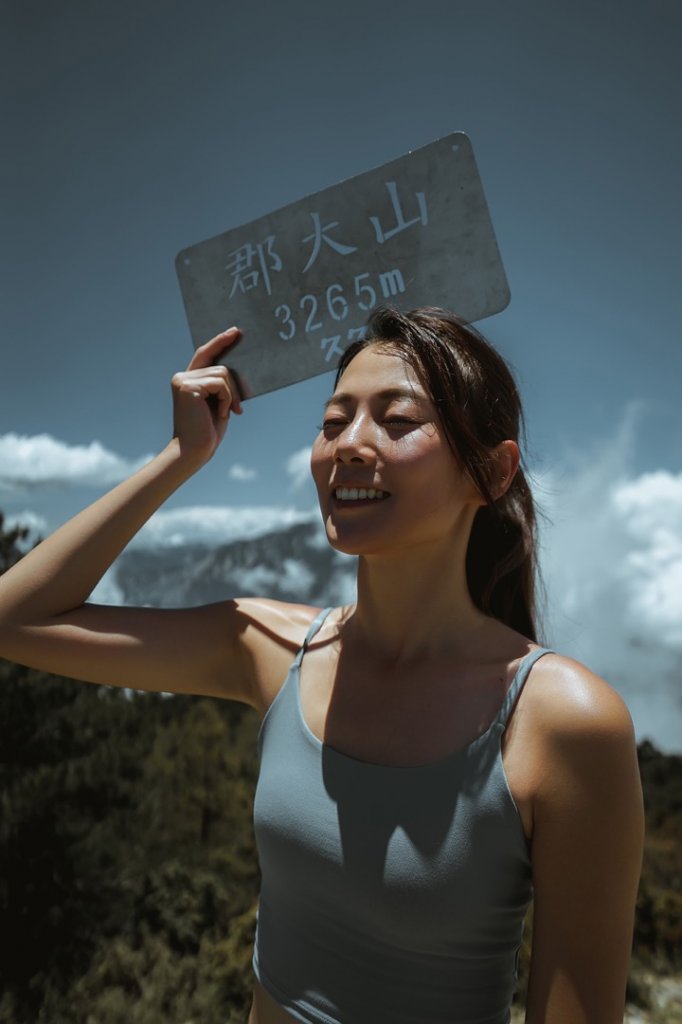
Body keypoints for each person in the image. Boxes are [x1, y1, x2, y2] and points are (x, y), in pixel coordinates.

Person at [0, 306, 644, 1024]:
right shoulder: (269, 651)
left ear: (491, 473)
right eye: (333, 423)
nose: (349, 445)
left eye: (396, 420)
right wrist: (181, 456)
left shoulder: (560, 721)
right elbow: (16, 620)